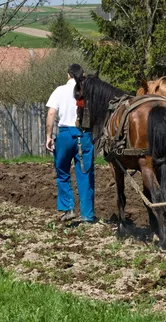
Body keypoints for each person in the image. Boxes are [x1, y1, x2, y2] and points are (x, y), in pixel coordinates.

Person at [45, 64, 95, 223]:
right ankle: (87, 215)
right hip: (84, 134)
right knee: (86, 174)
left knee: (63, 173)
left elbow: (51, 113)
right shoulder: (88, 91)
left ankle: (69, 209)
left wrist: (48, 136)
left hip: (65, 135)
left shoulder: (59, 90)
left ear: (68, 75)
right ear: (82, 75)